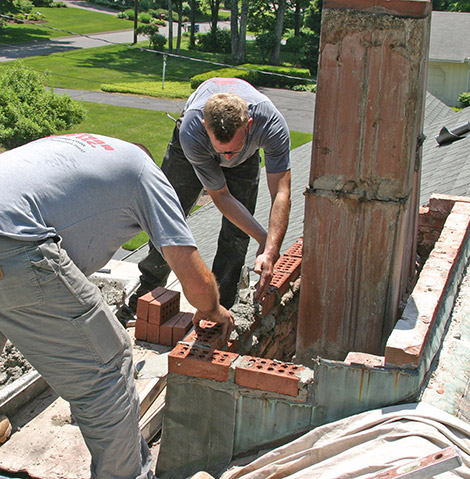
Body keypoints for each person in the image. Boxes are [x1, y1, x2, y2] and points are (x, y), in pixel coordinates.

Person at [0, 133, 233, 479]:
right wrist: (213, 308)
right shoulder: (145, 174)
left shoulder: (81, 149)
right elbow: (195, 281)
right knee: (107, 366)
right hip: (14, 241)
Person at [133, 77, 291, 311]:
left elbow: (281, 191)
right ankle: (148, 292)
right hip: (191, 151)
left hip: (246, 158)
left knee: (237, 233)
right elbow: (221, 196)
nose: (226, 159)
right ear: (206, 125)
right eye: (221, 151)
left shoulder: (270, 124)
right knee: (167, 217)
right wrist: (263, 237)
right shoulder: (192, 130)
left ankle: (218, 307)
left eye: (232, 150)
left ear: (248, 125)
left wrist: (270, 249)